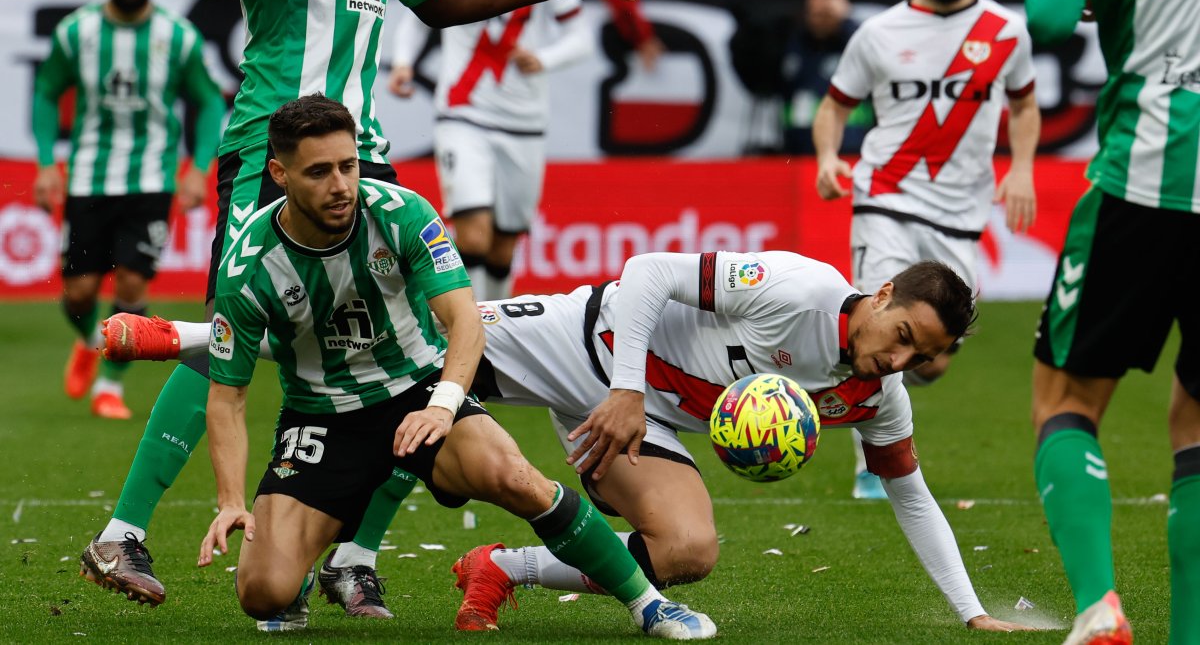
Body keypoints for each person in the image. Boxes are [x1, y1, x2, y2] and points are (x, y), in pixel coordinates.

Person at [78, 0, 652, 617]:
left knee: (410, 349)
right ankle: (122, 533)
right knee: (227, 337)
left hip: (359, 147)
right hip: (276, 146)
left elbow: (438, 1)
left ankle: (355, 555)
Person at [115, 251, 1032, 633]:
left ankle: (502, 566)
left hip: (647, 417)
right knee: (400, 355)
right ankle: (190, 336)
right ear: (880, 294)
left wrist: (970, 612)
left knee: (691, 548)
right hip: (583, 341)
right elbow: (648, 272)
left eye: (920, 354)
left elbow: (912, 493)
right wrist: (625, 385)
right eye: (900, 334)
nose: (899, 358)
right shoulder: (796, 287)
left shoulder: (876, 395)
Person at [193, 94, 715, 638]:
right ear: (279, 174)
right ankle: (302, 559)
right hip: (322, 417)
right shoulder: (248, 266)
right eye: (319, 172)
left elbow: (466, 321)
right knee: (263, 593)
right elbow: (227, 398)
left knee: (516, 478)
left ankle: (650, 605)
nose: (341, 185)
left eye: (348, 165)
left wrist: (443, 406)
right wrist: (230, 502)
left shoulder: (402, 214)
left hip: (417, 388)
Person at [811, 0, 1040, 500]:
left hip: (960, 214)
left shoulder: (1006, 30)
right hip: (885, 199)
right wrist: (826, 156)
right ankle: (874, 466)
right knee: (883, 326)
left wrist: (1023, 168)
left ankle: (844, 384)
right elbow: (834, 105)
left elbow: (1025, 105)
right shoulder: (879, 32)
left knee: (932, 361)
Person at [1024, 0, 1200, 643]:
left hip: (1144, 179)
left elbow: (1048, 16)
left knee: (1064, 398)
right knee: (1196, 423)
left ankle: (1099, 606)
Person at [31, 0, 224, 420]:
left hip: (152, 180)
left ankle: (109, 386)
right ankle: (89, 342)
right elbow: (46, 92)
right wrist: (45, 162)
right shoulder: (76, 31)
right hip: (89, 179)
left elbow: (209, 100)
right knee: (79, 293)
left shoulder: (177, 36)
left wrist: (199, 169)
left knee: (133, 282)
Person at [388, 0, 594, 301]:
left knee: (502, 248)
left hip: (524, 123)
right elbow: (418, 16)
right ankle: (467, 320)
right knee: (473, 236)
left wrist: (543, 59)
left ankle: (497, 321)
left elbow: (582, 38)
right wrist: (403, 62)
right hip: (462, 116)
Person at [780, 0, 871, 155]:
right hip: (797, 149)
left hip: (848, 148)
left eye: (827, 14)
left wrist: (845, 21)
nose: (821, 20)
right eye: (815, 14)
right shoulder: (794, 44)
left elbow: (867, 50)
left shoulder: (852, 42)